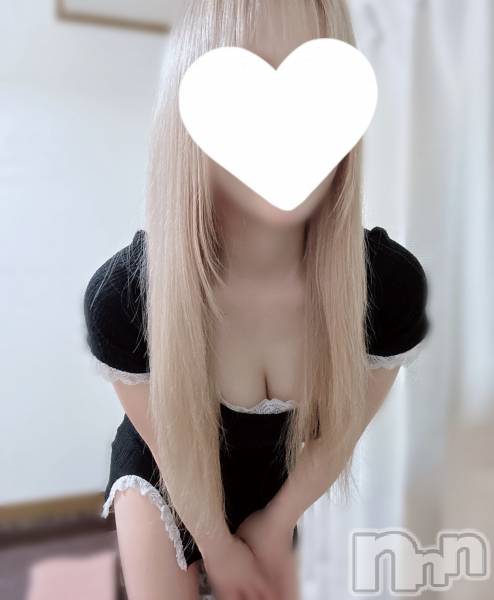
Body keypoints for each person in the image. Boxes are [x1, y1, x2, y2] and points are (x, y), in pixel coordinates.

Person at [83, 0, 431, 598]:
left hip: (279, 489)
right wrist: (219, 548)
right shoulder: (127, 298)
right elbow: (171, 450)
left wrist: (275, 524)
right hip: (168, 475)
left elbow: (338, 436)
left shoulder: (387, 289)